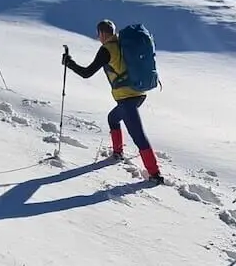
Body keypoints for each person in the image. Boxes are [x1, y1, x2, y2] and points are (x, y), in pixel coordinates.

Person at [61, 19, 162, 183]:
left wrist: (69, 63)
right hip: (139, 93)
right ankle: (117, 153)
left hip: (127, 97)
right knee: (112, 118)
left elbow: (87, 73)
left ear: (101, 33)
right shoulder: (121, 44)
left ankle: (155, 174)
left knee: (138, 135)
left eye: (98, 34)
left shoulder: (107, 49)